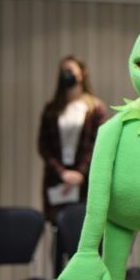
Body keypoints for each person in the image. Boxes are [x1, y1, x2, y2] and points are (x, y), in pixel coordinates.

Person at [38, 55, 107, 224]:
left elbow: (98, 144)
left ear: (82, 73)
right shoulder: (52, 109)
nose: (65, 75)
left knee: (83, 226)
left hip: (85, 179)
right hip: (57, 179)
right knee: (58, 228)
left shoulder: (95, 108)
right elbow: (43, 146)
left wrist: (79, 173)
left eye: (70, 70)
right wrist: (63, 173)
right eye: (63, 72)